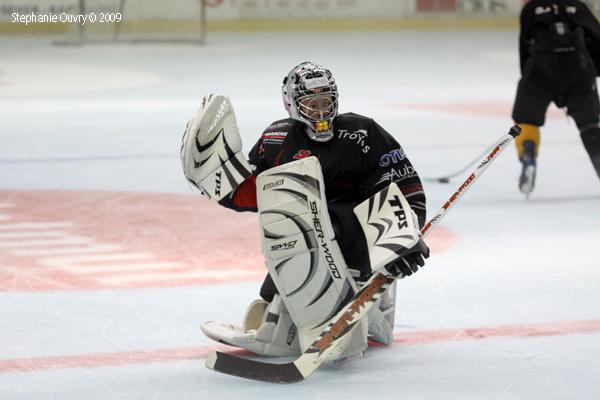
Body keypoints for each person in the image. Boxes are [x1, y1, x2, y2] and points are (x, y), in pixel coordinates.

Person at [181, 62, 429, 363]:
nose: (321, 112)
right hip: (312, 247)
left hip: (359, 247)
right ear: (291, 105)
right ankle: (282, 321)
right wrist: (219, 180)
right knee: (286, 231)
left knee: (333, 214)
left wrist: (404, 236)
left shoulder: (363, 133)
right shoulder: (276, 138)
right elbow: (258, 193)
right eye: (312, 104)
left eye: (326, 102)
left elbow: (404, 185)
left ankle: (371, 309)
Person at [512, 0, 600, 198]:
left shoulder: (531, 8)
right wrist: (591, 71)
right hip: (578, 65)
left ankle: (528, 155)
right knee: (589, 123)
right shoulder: (577, 6)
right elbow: (597, 37)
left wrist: (529, 81)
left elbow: (524, 48)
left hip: (541, 67)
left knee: (526, 119)